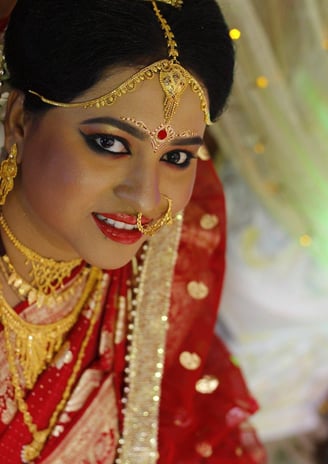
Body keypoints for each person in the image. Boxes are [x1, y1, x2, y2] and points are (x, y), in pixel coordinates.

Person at [0, 1, 266, 462]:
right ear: (21, 120)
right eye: (110, 144)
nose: (146, 199)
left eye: (177, 158)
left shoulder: (160, 272)